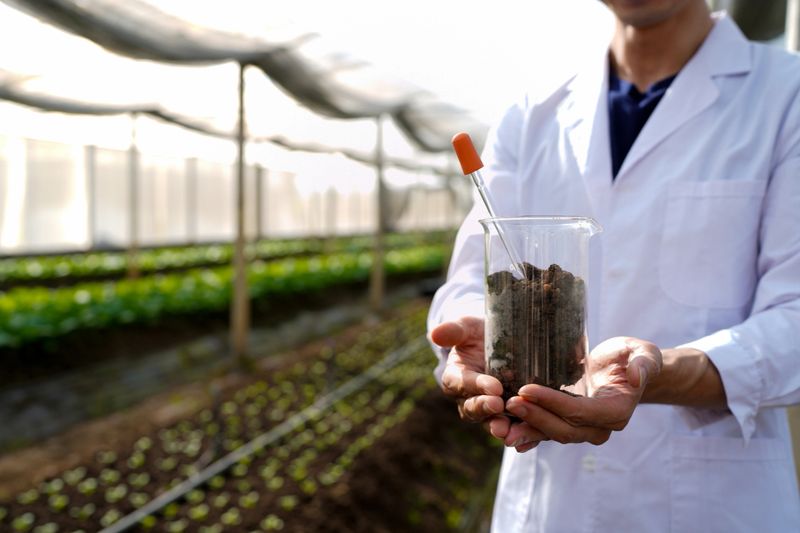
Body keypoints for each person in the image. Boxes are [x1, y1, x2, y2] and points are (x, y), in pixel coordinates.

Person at [427, 1, 800, 531]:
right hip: (551, 507)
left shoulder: (787, 96)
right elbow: (471, 275)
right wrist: (474, 334)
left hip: (714, 507)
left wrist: (663, 372)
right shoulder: (532, 113)